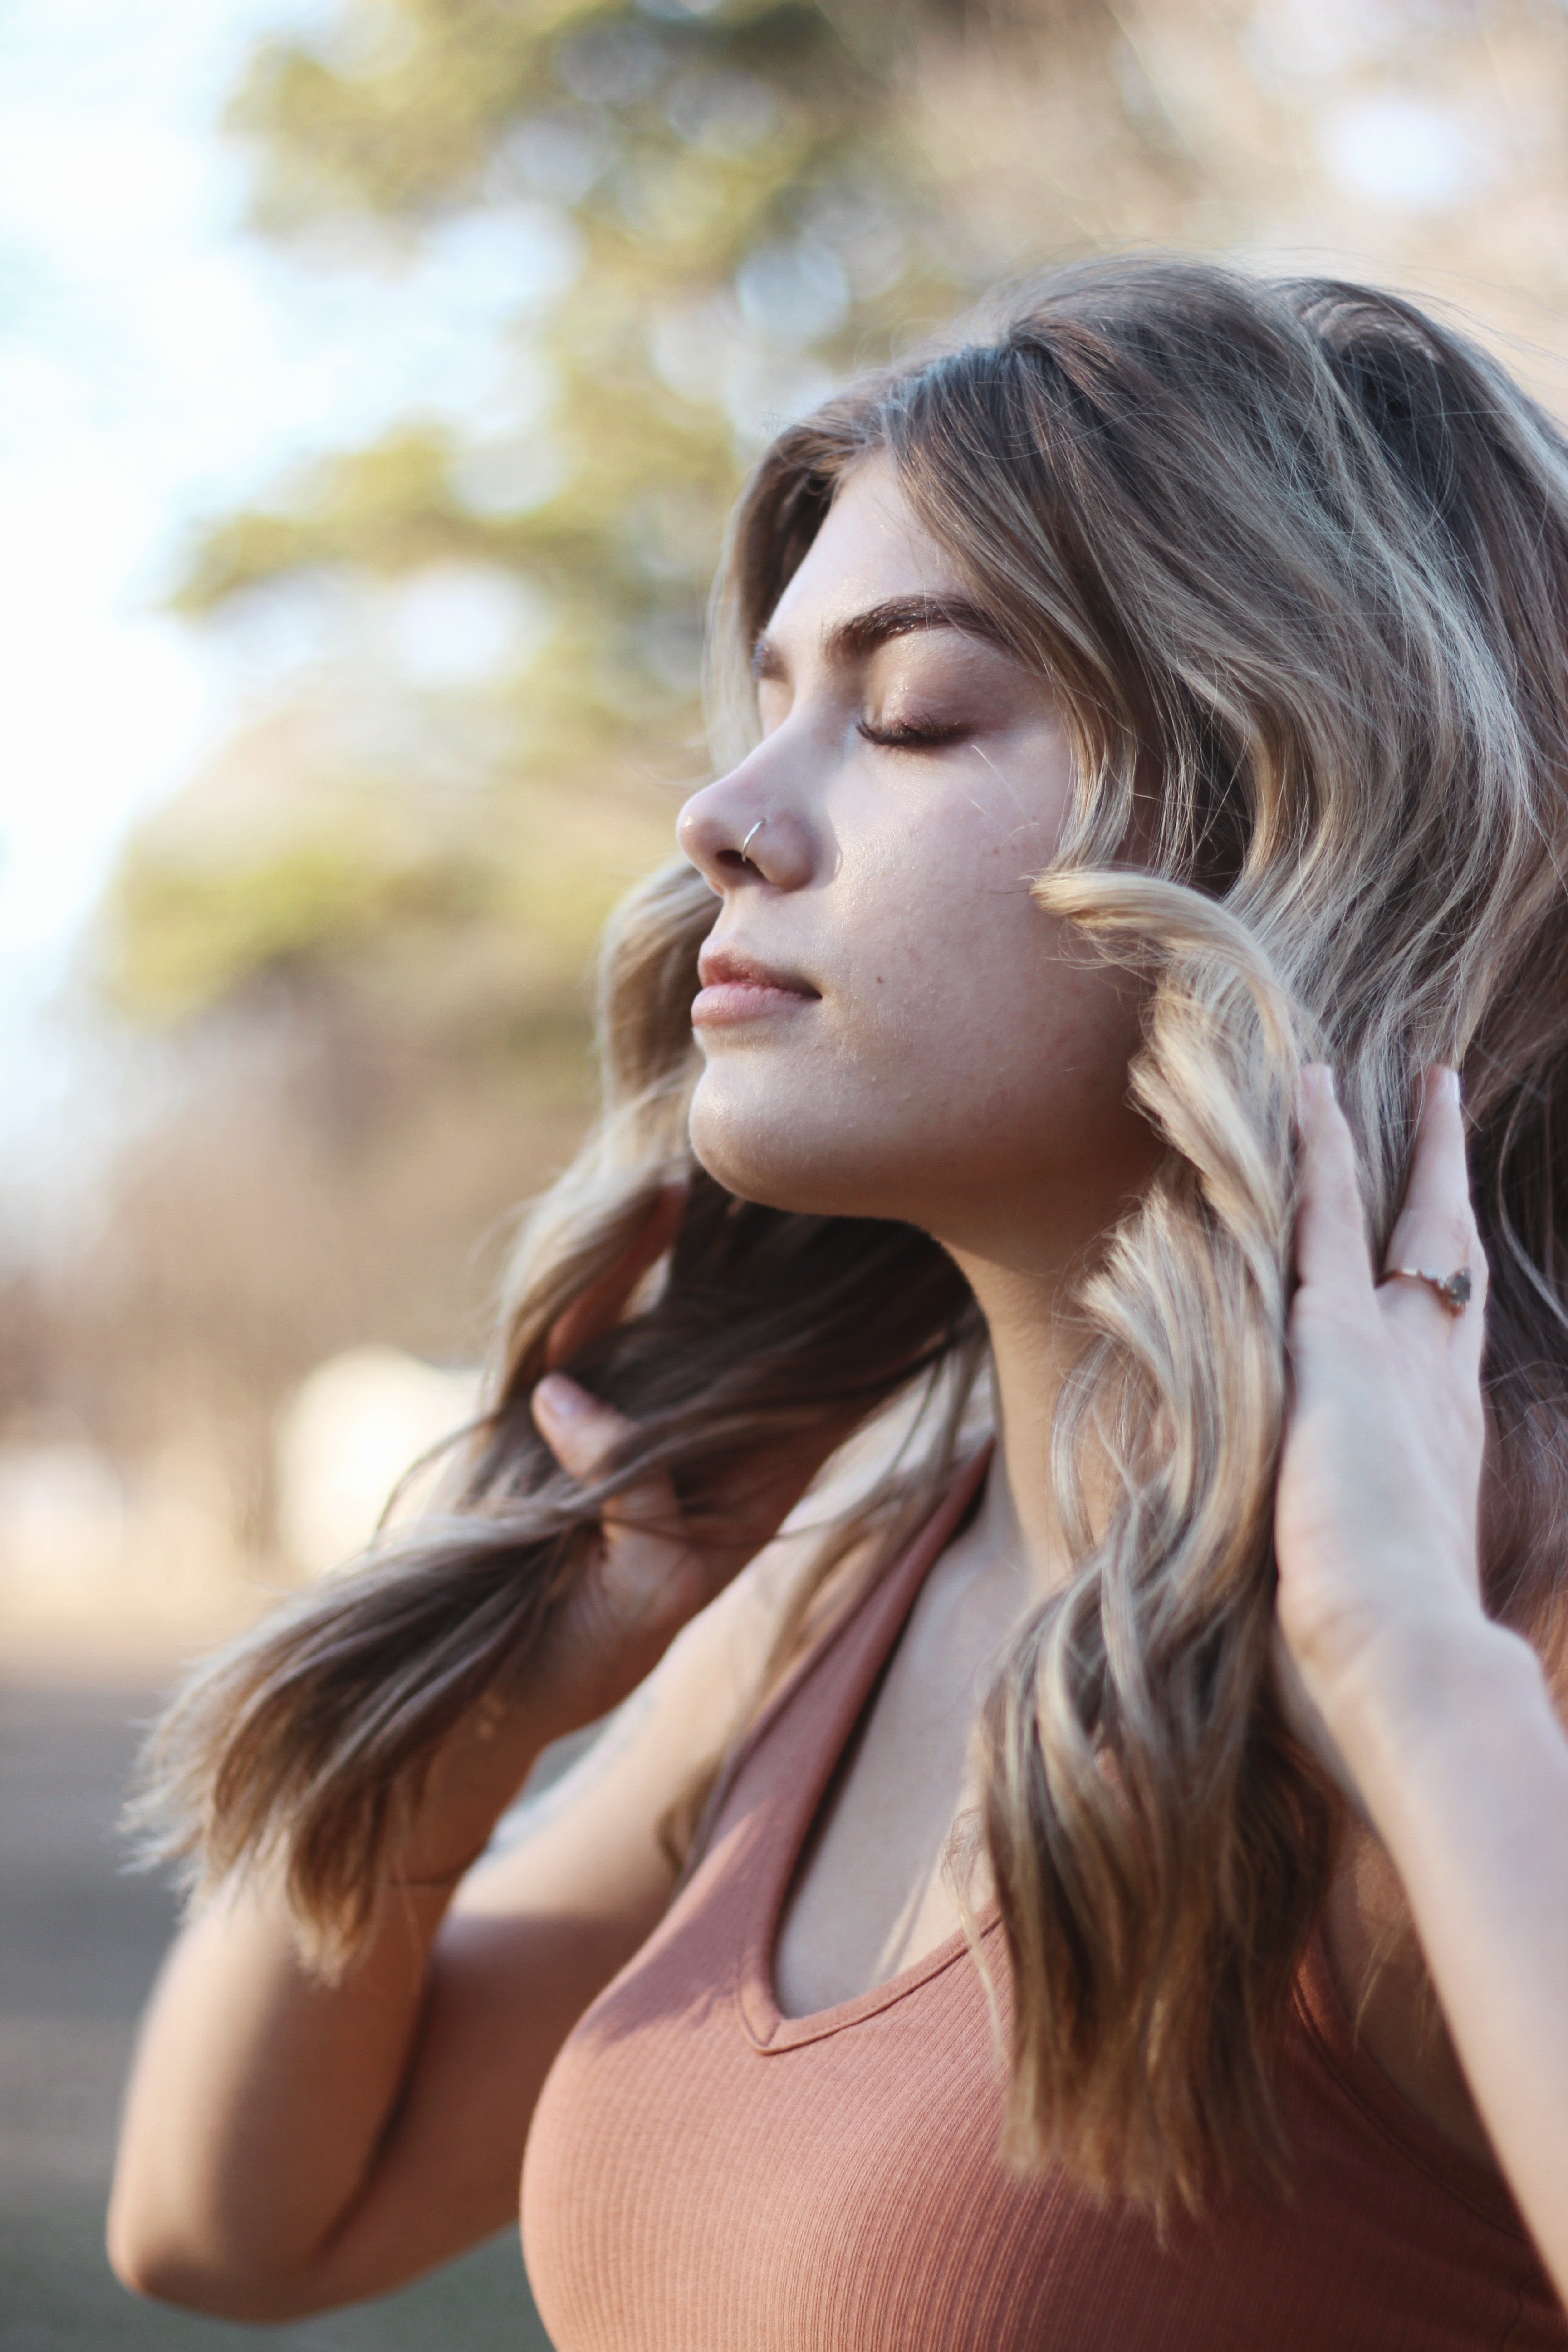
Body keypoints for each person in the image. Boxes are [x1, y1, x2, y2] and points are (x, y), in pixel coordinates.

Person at [108, 260, 1568, 2347]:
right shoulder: (841, 1588)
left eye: (907, 716)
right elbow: (232, 2231)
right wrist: (491, 1678)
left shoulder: (1507, 1619)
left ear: (1284, 818)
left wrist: (1411, 1672)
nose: (723, 819)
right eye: (773, 703)